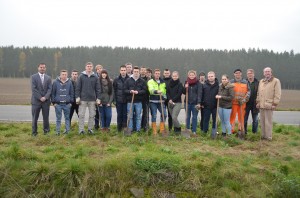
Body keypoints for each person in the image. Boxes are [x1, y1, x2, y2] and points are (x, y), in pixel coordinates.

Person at [256, 67, 281, 141]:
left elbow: (278, 93)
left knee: (268, 122)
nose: (267, 73)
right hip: (262, 105)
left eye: (268, 71)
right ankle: (263, 136)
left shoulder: (276, 81)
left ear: (271, 72)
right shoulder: (261, 81)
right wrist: (258, 102)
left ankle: (268, 137)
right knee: (262, 121)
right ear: (264, 73)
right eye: (266, 71)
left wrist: (275, 104)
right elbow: (258, 92)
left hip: (269, 105)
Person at [75, 62, 101, 135]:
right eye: (88, 66)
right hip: (82, 99)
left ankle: (90, 129)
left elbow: (98, 89)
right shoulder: (81, 76)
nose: (89, 67)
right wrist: (77, 97)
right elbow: (78, 88)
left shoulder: (95, 77)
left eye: (90, 66)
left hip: (92, 100)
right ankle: (81, 130)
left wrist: (98, 98)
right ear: (85, 67)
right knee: (81, 115)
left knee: (92, 115)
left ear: (92, 67)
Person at [30, 63, 52, 136]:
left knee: (46, 118)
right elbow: (34, 89)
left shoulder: (48, 78)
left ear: (45, 68)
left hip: (46, 102)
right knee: (34, 118)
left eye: (44, 67)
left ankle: (46, 132)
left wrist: (45, 97)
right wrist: (40, 97)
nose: (42, 68)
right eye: (41, 67)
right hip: (36, 101)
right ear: (38, 68)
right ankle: (34, 133)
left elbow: (50, 89)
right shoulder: (33, 77)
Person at [124, 66, 147, 133]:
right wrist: (130, 91)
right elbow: (125, 90)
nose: (136, 73)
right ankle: (130, 130)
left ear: (139, 72)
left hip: (138, 102)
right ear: (132, 72)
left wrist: (138, 92)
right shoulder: (128, 80)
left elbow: (144, 90)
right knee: (130, 116)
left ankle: (138, 130)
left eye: (137, 71)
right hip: (130, 101)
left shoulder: (142, 81)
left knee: (138, 117)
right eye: (135, 71)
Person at [51, 70, 74, 135]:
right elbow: (53, 93)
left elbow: (72, 93)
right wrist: (53, 102)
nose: (64, 76)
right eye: (63, 74)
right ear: (60, 75)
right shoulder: (55, 82)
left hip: (67, 104)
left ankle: (67, 131)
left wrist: (71, 103)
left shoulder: (70, 82)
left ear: (67, 75)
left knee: (67, 118)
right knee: (58, 119)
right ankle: (57, 132)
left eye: (65, 74)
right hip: (58, 104)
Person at [230, 69, 250, 134]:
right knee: (232, 117)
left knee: (241, 118)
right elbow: (227, 90)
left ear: (241, 74)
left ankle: (240, 131)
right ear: (234, 74)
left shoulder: (245, 82)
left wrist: (244, 100)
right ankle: (231, 130)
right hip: (233, 103)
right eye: (236, 73)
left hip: (242, 104)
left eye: (239, 73)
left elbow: (248, 92)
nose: (237, 74)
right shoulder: (231, 82)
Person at [148, 69, 167, 135]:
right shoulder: (150, 81)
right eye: (156, 73)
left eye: (158, 73)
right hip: (153, 101)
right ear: (154, 74)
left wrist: (164, 96)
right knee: (154, 115)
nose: (157, 75)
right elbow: (150, 90)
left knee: (164, 114)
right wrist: (156, 91)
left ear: (160, 74)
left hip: (161, 101)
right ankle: (154, 130)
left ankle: (162, 129)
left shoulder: (163, 82)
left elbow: (164, 91)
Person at [201, 71, 219, 138]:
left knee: (215, 120)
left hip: (215, 106)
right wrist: (202, 103)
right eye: (209, 76)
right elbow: (202, 95)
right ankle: (205, 132)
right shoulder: (204, 85)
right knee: (206, 120)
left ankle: (214, 132)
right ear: (207, 77)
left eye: (212, 76)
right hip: (206, 106)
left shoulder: (218, 85)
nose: (210, 78)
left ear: (214, 77)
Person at [113, 65, 129, 132]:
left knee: (125, 115)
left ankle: (124, 128)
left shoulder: (129, 79)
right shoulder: (116, 79)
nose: (123, 72)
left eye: (124, 70)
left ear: (126, 71)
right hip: (118, 101)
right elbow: (114, 90)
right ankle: (119, 129)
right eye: (122, 70)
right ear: (120, 71)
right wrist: (114, 100)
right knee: (119, 115)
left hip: (126, 101)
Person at [244, 69, 259, 134]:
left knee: (255, 120)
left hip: (255, 104)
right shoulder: (244, 82)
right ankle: (244, 132)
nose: (250, 75)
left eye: (251, 73)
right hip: (246, 104)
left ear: (253, 74)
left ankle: (254, 133)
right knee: (244, 119)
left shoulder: (258, 82)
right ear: (247, 75)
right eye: (248, 74)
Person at [140, 66, 150, 131]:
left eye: (144, 70)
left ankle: (145, 126)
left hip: (146, 99)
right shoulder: (138, 78)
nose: (143, 71)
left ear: (146, 71)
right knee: (137, 114)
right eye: (142, 70)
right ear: (140, 71)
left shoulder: (149, 80)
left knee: (146, 113)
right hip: (138, 99)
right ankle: (138, 126)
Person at [94, 64, 103, 130]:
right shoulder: (94, 77)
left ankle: (102, 125)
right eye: (98, 69)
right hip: (96, 97)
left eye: (100, 68)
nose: (99, 70)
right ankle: (96, 126)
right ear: (96, 70)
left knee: (102, 112)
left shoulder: (104, 76)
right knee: (96, 112)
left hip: (103, 97)